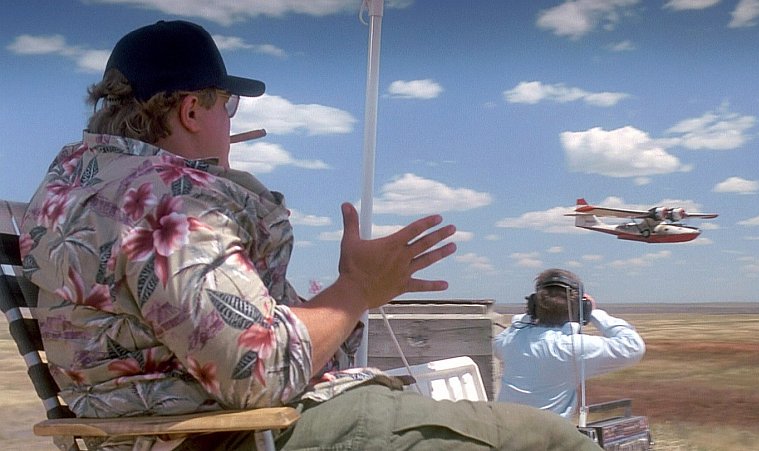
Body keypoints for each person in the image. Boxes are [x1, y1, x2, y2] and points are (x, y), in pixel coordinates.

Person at [20, 20, 600, 450]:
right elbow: (259, 372)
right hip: (226, 435)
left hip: (164, 426)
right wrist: (357, 289)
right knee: (551, 440)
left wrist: (351, 296)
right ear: (192, 111)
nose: (231, 120)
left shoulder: (72, 190)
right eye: (228, 105)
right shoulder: (168, 201)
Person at [494, 269, 646, 418]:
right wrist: (594, 312)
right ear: (582, 309)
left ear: (533, 305)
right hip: (548, 433)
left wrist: (529, 315)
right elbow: (633, 347)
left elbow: (501, 341)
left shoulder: (510, 341)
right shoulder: (574, 348)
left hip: (504, 429)